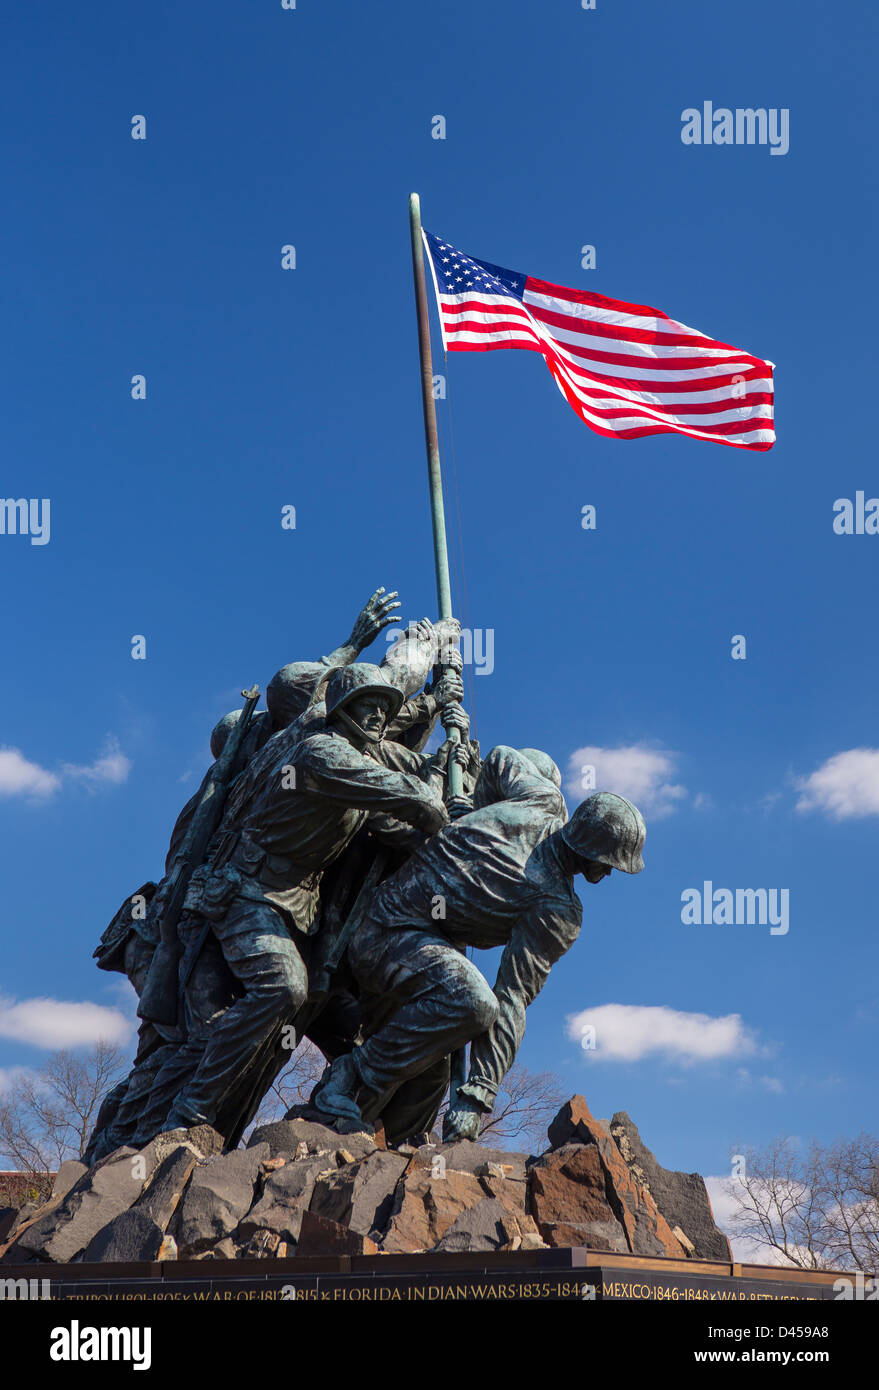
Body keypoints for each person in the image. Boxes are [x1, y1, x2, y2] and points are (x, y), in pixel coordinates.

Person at [156, 664, 449, 1142]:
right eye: (368, 705)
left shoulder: (352, 766)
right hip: (249, 892)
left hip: (298, 912)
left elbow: (399, 826)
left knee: (354, 1024)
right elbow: (405, 796)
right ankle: (189, 1112)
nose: (378, 716)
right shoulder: (321, 752)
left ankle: (347, 1116)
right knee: (282, 988)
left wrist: (437, 728)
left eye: (384, 708)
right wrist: (433, 784)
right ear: (340, 708)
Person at [311, 747, 646, 1145]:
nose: (608, 873)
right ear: (590, 846)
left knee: (430, 1075)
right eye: (609, 862)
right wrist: (478, 1095)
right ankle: (347, 1076)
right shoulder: (554, 901)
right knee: (473, 1004)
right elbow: (507, 1000)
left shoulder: (544, 811)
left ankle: (365, 1142)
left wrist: (475, 1093)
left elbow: (502, 758)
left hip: (422, 947)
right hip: (386, 929)